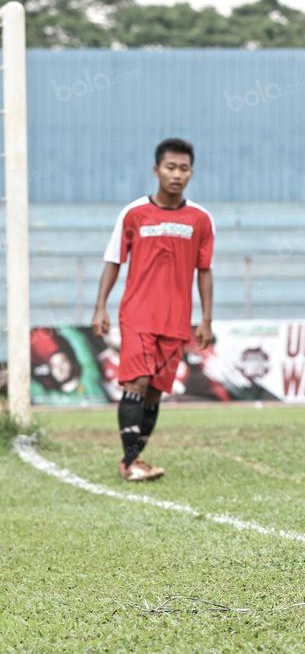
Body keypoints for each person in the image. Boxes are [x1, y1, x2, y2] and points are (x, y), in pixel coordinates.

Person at [91, 138, 215, 482]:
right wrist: (100, 306)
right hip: (138, 314)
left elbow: (205, 270)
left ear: (192, 172)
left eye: (184, 168)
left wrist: (205, 319)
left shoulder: (201, 220)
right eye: (170, 167)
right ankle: (131, 463)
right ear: (156, 170)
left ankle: (134, 457)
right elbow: (114, 260)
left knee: (156, 390)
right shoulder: (133, 214)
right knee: (138, 381)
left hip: (176, 320)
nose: (177, 175)